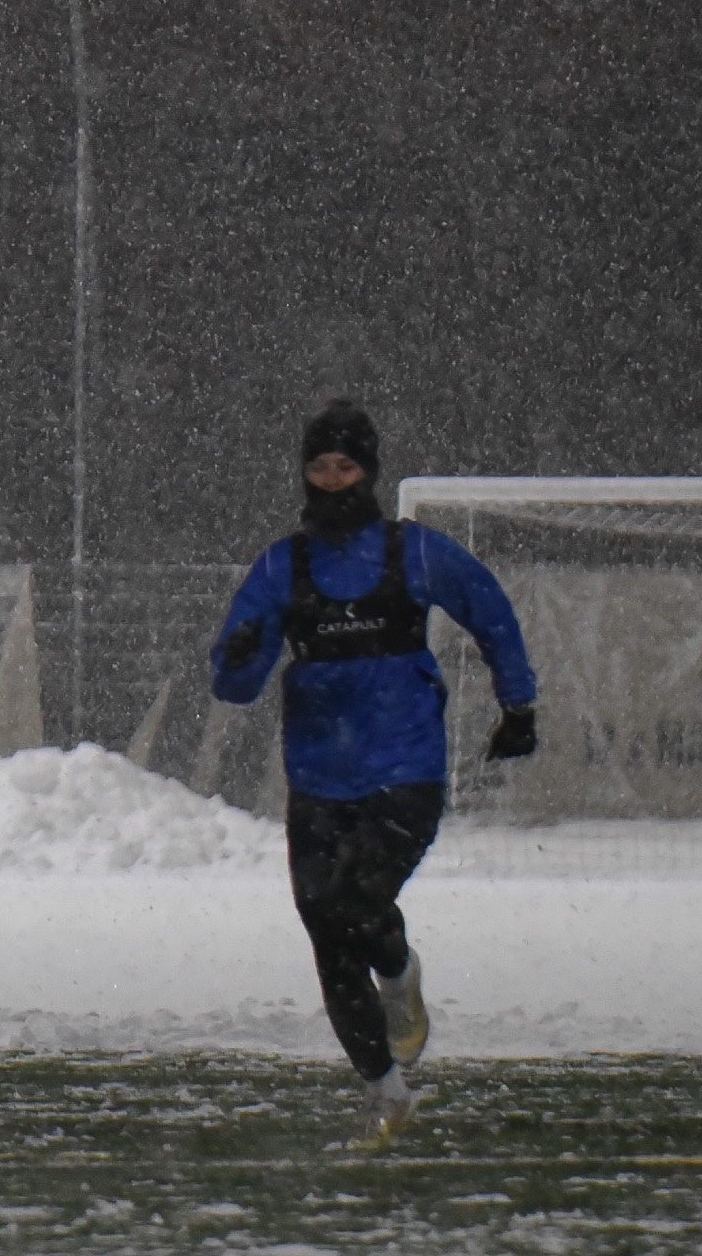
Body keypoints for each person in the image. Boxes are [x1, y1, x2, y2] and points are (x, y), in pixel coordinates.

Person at [208, 399, 537, 1140]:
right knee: (325, 930)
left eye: (345, 466)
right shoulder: (283, 565)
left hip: (404, 769)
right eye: (319, 467)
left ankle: (400, 974)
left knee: (358, 906)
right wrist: (236, 655)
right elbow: (235, 684)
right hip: (317, 778)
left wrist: (519, 705)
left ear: (369, 472)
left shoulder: (413, 553)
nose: (331, 481)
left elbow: (490, 612)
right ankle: (387, 1093)